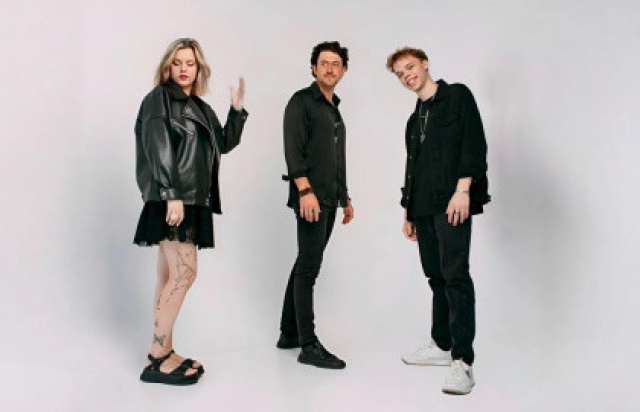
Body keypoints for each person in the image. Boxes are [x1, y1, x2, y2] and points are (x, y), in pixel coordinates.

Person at [133, 38, 248, 385]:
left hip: (191, 200)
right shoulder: (159, 99)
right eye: (178, 62)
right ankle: (157, 358)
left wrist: (237, 111)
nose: (184, 69)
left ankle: (165, 351)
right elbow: (158, 145)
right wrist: (171, 194)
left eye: (190, 63)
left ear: (199, 69)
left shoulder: (200, 107)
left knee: (169, 276)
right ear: (167, 66)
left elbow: (223, 144)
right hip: (173, 199)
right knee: (184, 274)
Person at [386, 47, 490, 395]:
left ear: (425, 64)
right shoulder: (413, 120)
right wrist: (408, 211)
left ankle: (463, 361)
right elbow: (412, 168)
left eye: (410, 67)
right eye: (400, 73)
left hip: (451, 202)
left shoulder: (457, 96)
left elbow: (473, 144)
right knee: (436, 276)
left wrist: (463, 190)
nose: (407, 75)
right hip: (422, 207)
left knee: (455, 276)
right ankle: (443, 344)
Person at [277, 41, 354, 369]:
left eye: (336, 64)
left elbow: (335, 157)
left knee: (304, 263)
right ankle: (308, 345)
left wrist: (345, 196)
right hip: (311, 197)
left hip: (330, 198)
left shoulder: (334, 108)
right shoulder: (301, 102)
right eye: (324, 63)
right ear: (313, 67)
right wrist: (304, 190)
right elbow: (293, 150)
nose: (329, 69)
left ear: (343, 70)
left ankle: (288, 333)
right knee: (309, 268)